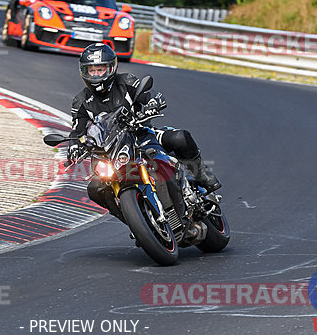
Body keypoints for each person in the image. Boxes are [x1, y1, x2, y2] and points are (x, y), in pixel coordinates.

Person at [68, 43, 221, 213]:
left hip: (140, 134)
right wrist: (74, 145)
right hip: (107, 152)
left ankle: (202, 175)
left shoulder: (126, 82)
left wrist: (152, 103)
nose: (96, 74)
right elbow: (77, 130)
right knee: (95, 189)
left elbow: (149, 95)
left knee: (180, 138)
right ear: (84, 71)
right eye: (92, 70)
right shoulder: (81, 101)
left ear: (111, 68)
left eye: (100, 69)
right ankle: (134, 221)